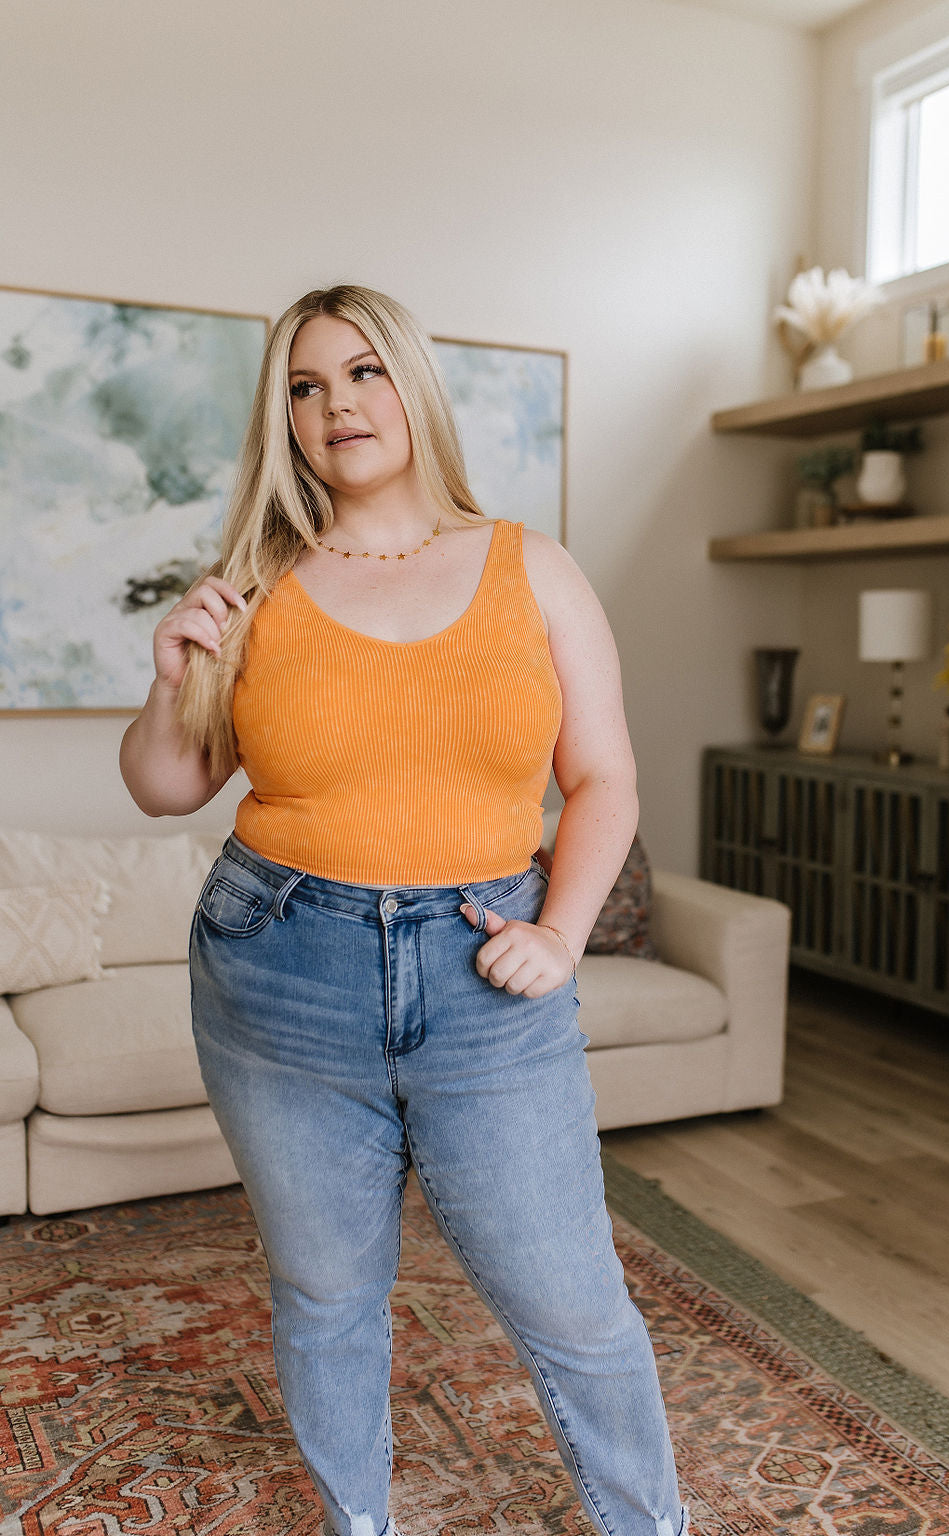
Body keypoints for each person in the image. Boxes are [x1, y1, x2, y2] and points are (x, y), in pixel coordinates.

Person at [120, 284, 685, 1536]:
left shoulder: (533, 567)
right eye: (305, 387)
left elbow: (604, 779)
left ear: (413, 384)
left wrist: (561, 934)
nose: (336, 405)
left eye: (363, 371)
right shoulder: (255, 584)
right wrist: (168, 683)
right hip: (279, 968)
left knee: (574, 1303)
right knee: (326, 1295)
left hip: (487, 976)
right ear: (285, 420)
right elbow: (166, 787)